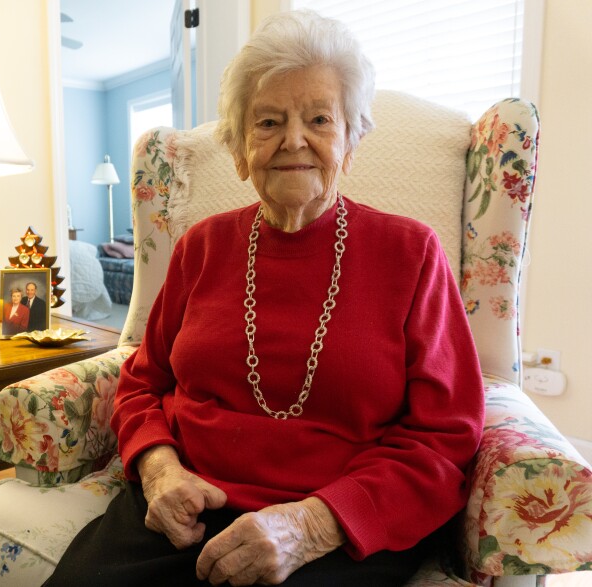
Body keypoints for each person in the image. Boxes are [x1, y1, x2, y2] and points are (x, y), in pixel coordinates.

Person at [45, 10, 484, 587]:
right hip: (184, 505)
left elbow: (446, 434)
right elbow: (142, 382)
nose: (293, 140)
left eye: (319, 119)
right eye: (269, 121)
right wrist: (159, 471)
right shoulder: (202, 246)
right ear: (238, 149)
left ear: (350, 140)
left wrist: (313, 523)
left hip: (336, 526)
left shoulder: (411, 254)